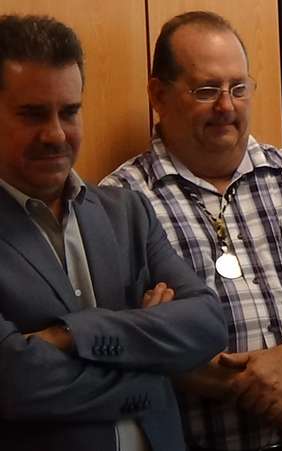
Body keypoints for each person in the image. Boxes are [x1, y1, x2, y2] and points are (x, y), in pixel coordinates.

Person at [102, 11, 282, 451]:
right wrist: (264, 391)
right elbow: (127, 338)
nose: (227, 106)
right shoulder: (119, 202)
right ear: (158, 95)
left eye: (238, 88)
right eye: (206, 90)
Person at [0, 14, 228, 451]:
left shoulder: (127, 212)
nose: (55, 134)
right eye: (32, 114)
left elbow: (207, 323)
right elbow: (14, 381)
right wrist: (152, 363)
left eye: (70, 112)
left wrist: (69, 336)